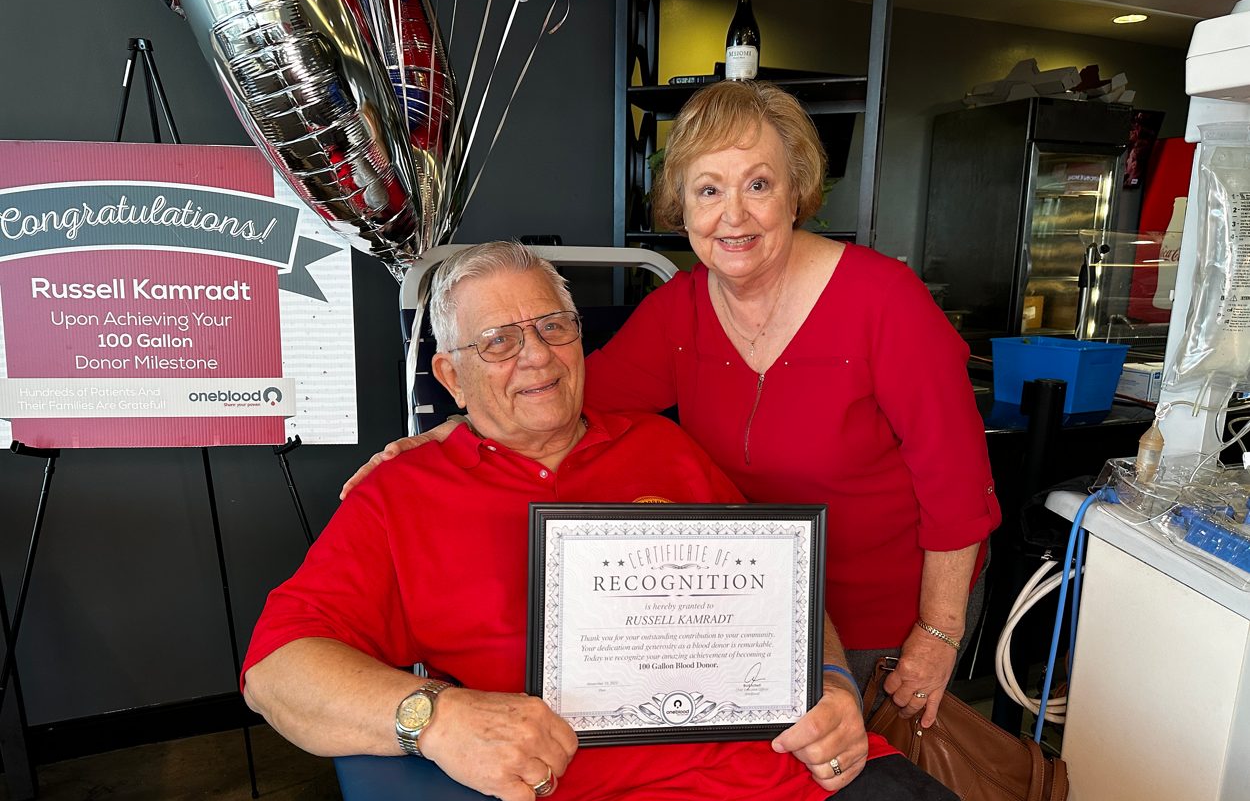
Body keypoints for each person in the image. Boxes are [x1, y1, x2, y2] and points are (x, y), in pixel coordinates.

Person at [248, 242, 1052, 801]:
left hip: (805, 772)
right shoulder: (400, 499)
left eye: (552, 326)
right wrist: (433, 716)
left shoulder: (661, 448)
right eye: (497, 341)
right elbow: (275, 672)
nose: (534, 355)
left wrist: (836, 683)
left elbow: (781, 587)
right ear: (451, 377)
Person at [340, 81, 1000, 727]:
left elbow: (958, 488)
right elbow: (556, 395)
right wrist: (444, 431)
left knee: (875, 782)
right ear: (681, 206)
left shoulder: (885, 302)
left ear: (796, 190)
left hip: (885, 614)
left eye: (758, 185)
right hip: (749, 612)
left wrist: (937, 635)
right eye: (708, 190)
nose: (732, 215)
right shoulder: (679, 311)